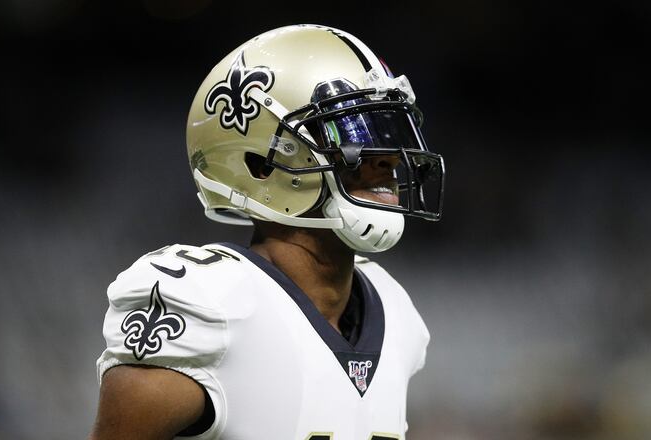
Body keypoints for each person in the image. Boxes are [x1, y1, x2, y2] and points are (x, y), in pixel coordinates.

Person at [89, 24, 445, 439]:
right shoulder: (210, 304)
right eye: (353, 135)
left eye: (391, 133)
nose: (389, 159)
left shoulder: (393, 308)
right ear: (262, 164)